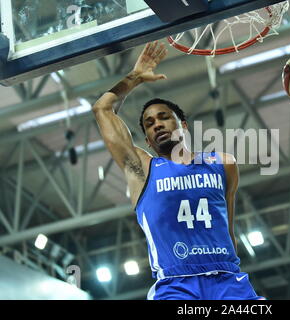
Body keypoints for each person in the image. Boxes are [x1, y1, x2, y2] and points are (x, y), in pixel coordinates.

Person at [92, 41, 264, 300]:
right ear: (148, 141)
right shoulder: (143, 169)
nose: (157, 124)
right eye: (149, 124)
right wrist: (135, 77)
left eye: (164, 117)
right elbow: (102, 109)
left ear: (183, 125)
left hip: (228, 280)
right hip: (176, 285)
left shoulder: (223, 163)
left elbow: (228, 231)